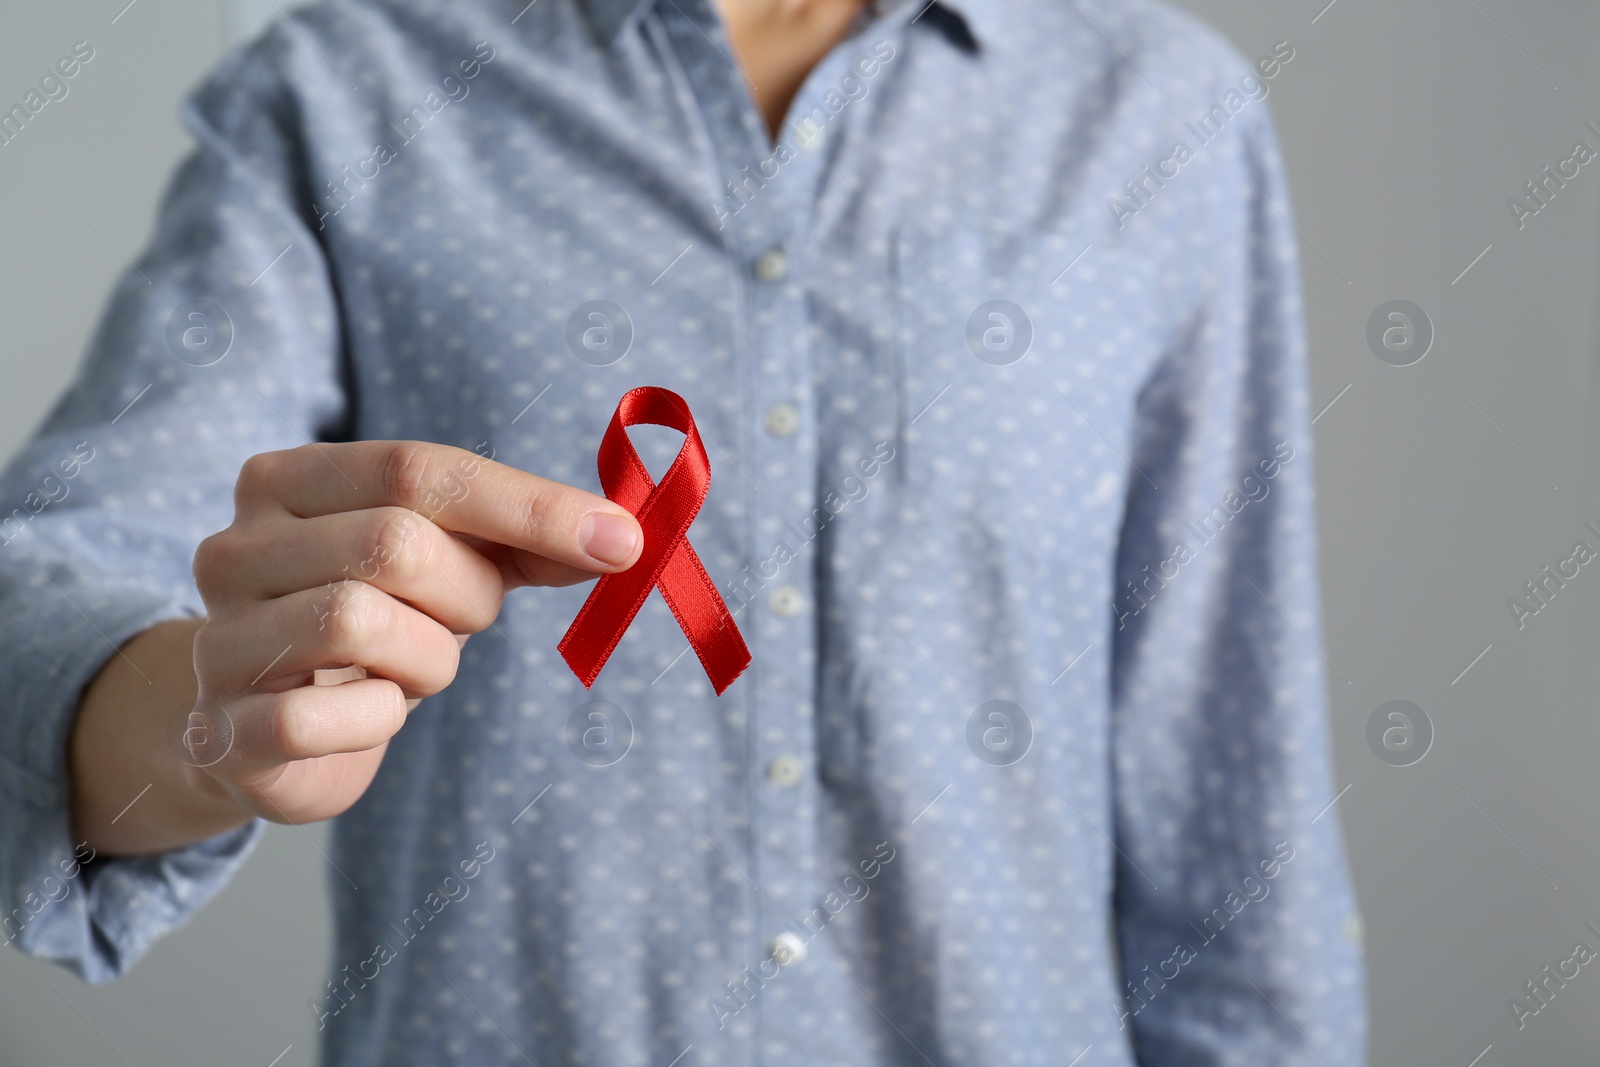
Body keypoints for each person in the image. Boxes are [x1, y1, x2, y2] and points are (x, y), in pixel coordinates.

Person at [0, 0, 1367, 1062]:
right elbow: (41, 590)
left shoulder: (1157, 116)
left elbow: (1232, 787)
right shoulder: (349, 89)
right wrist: (199, 710)